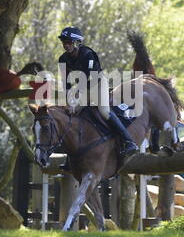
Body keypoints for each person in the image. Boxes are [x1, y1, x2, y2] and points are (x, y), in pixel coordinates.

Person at [57, 27, 138, 171]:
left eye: (69, 42)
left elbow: (89, 78)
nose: (66, 45)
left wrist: (77, 99)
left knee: (104, 111)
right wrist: (70, 102)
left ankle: (128, 141)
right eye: (64, 42)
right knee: (71, 115)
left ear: (77, 42)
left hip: (97, 83)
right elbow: (66, 84)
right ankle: (70, 159)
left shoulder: (87, 54)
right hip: (82, 88)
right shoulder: (63, 59)